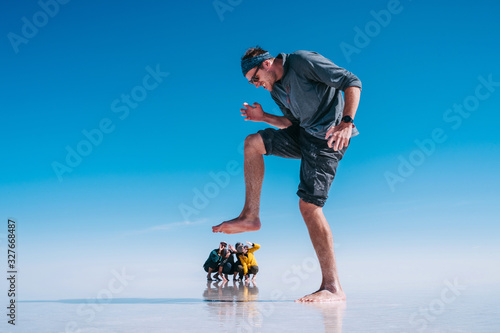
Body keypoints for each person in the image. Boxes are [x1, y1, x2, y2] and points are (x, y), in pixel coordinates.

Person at [212, 47, 362, 302]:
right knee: (252, 143)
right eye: (252, 82)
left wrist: (346, 122)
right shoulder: (277, 89)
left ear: (267, 63)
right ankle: (250, 216)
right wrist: (263, 117)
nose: (256, 86)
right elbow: (291, 123)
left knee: (309, 207)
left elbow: (352, 81)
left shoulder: (302, 61)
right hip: (303, 136)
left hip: (329, 138)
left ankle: (333, 288)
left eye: (255, 79)